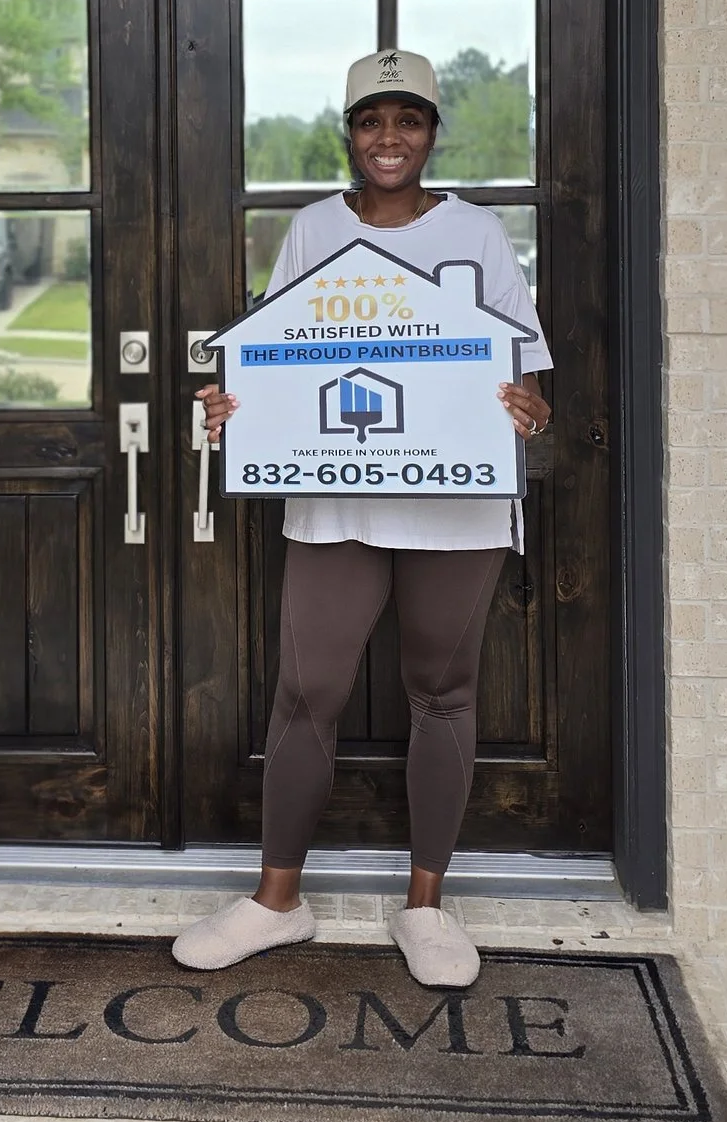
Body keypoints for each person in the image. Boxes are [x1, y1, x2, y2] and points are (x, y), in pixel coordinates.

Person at [171, 49, 552, 989]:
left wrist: (526, 411)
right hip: (337, 496)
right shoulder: (310, 230)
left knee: (442, 691)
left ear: (431, 132)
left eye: (409, 119)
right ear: (350, 133)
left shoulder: (479, 235)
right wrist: (231, 408)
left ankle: (424, 906)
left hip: (454, 504)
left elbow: (530, 385)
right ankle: (276, 903)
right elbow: (270, 362)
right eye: (372, 120)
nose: (390, 137)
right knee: (307, 691)